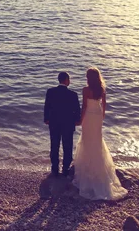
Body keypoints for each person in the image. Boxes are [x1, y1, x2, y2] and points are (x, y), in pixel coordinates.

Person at [72, 67, 127, 200]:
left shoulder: (86, 90)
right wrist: (101, 117)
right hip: (97, 116)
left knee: (87, 140)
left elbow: (84, 106)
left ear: (88, 78)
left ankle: (87, 171)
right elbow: (104, 104)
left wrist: (80, 119)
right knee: (97, 140)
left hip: (89, 116)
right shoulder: (101, 89)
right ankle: (100, 171)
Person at [44, 71, 81, 177]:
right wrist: (77, 120)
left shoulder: (50, 92)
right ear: (66, 80)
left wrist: (46, 119)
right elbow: (76, 110)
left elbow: (47, 107)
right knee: (67, 146)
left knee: (54, 145)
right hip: (68, 124)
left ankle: (55, 168)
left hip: (54, 123)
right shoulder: (73, 95)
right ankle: (65, 168)